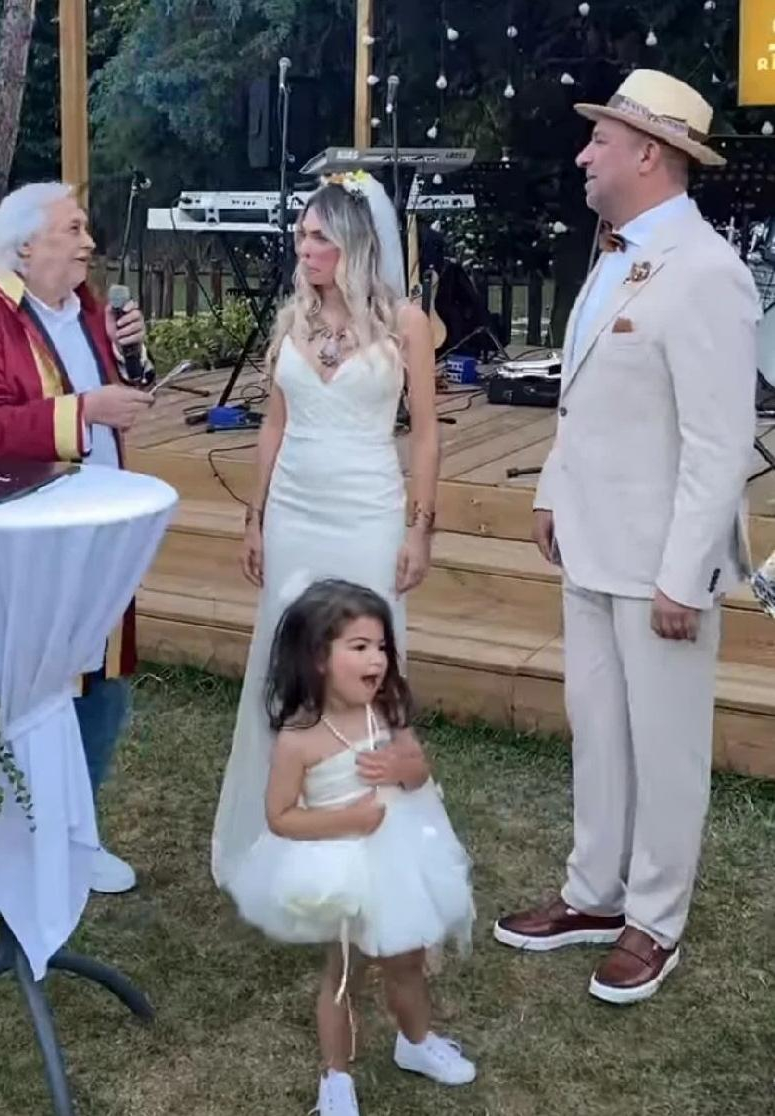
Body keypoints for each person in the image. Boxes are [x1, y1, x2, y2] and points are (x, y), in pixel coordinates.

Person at [493, 71, 758, 1004]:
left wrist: (685, 574)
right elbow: (582, 399)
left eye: (598, 140)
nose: (582, 154)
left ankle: (654, 919)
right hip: (592, 543)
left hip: (658, 564)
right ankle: (594, 894)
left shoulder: (707, 271)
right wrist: (552, 492)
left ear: (648, 153)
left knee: (666, 746)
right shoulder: (614, 255)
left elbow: (718, 443)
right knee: (598, 734)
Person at [0, 181, 157, 895]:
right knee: (16, 693)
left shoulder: (88, 311)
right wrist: (86, 409)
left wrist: (133, 360)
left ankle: (74, 834)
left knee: (102, 683)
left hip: (98, 534)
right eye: (74, 229)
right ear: (25, 245)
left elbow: (117, 397)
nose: (90, 243)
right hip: (20, 546)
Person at [211, 171, 440, 888]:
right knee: (289, 657)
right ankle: (278, 825)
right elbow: (272, 428)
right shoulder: (292, 321)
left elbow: (426, 434)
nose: (303, 247)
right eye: (301, 234)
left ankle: (377, 838)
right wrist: (254, 517)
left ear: (352, 243)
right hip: (294, 514)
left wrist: (420, 527)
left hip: (368, 511)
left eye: (317, 236)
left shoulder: (405, 323)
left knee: (366, 664)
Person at [227, 579, 475, 1115]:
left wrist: (404, 768)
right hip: (341, 868)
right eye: (359, 647)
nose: (376, 659)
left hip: (401, 856)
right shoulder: (299, 739)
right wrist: (350, 819)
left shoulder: (386, 709)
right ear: (318, 658)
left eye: (381, 646)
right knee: (343, 975)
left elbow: (419, 767)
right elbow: (281, 817)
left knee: (407, 958)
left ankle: (416, 1042)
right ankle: (335, 1076)